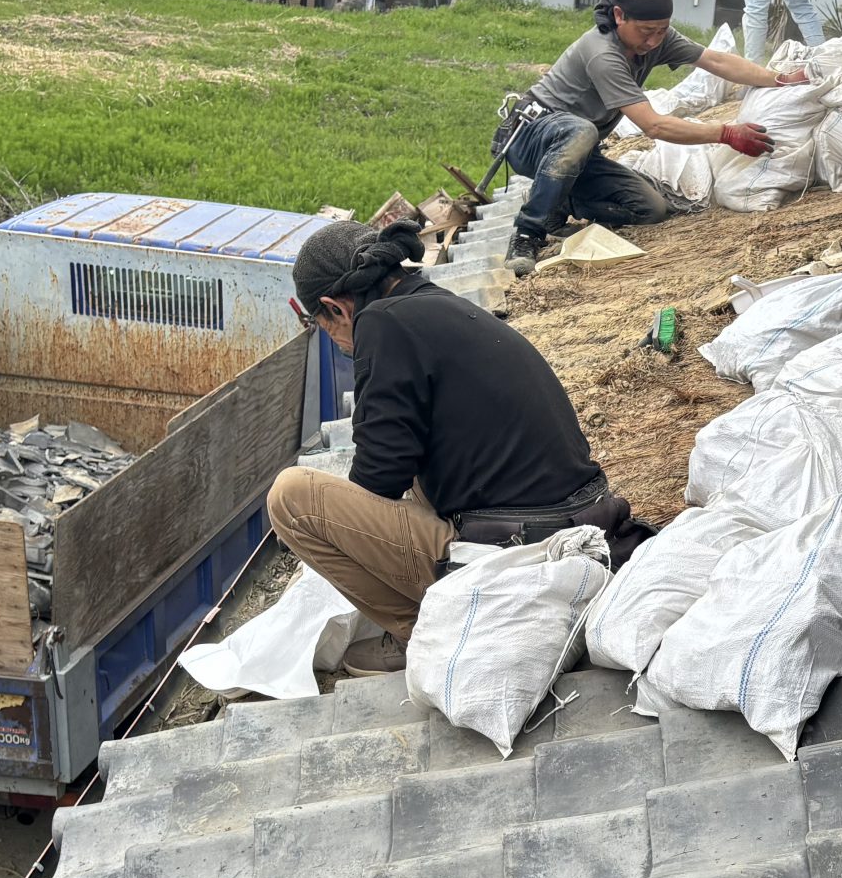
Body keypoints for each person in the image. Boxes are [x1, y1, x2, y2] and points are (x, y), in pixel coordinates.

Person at [267, 220, 635, 673]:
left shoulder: (380, 324)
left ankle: (421, 633)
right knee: (420, 476)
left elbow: (378, 479)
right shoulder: (433, 303)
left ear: (333, 308)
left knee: (291, 497)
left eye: (323, 327)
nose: (338, 343)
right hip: (580, 517)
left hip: (519, 549)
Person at [494, 0, 801, 275]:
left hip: (578, 151)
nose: (654, 40)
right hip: (532, 137)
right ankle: (527, 233)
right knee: (581, 131)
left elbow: (716, 61)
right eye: (646, 31)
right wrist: (726, 134)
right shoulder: (602, 53)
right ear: (619, 16)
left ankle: (556, 201)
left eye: (661, 31)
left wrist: (777, 79)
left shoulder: (654, 39)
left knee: (650, 209)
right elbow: (653, 126)